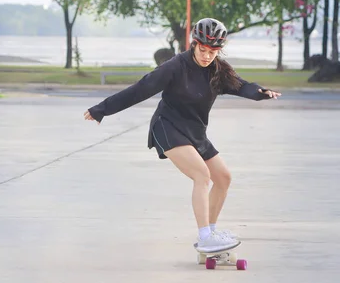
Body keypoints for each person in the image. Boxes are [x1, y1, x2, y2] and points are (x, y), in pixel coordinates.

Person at [84, 17, 281, 254]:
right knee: (202, 175)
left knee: (223, 178)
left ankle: (211, 232)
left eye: (213, 52)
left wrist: (261, 93)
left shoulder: (217, 71)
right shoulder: (175, 67)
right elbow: (139, 90)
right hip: (167, 127)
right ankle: (205, 237)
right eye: (204, 50)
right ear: (194, 43)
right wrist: (102, 110)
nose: (207, 56)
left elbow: (241, 85)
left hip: (195, 131)